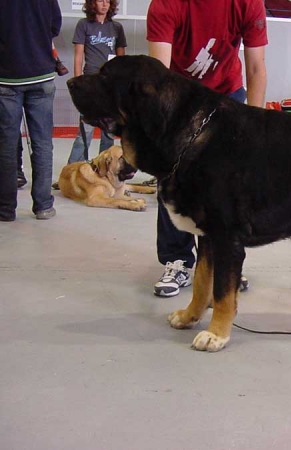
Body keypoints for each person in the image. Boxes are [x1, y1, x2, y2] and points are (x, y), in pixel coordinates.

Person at [147, 0, 268, 297]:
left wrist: (257, 129)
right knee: (173, 176)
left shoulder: (248, 3)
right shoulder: (166, 4)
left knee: (229, 187)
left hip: (228, 94)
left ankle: (225, 264)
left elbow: (255, 66)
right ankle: (177, 259)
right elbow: (159, 75)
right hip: (181, 96)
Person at [0, 0, 61, 222]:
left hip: (7, 78)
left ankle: (6, 209)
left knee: (6, 147)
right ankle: (43, 206)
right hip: (42, 74)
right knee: (43, 144)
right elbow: (55, 25)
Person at [66, 0, 126, 164]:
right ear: (92, 4)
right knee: (85, 130)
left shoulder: (116, 28)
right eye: (101, 1)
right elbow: (78, 57)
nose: (105, 4)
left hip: (110, 86)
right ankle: (74, 167)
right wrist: (78, 84)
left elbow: (122, 60)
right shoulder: (83, 25)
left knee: (109, 132)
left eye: (108, 1)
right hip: (90, 84)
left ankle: (103, 168)